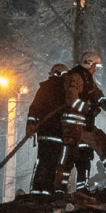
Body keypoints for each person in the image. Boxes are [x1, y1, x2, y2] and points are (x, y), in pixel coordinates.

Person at [54, 51, 106, 192]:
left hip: (83, 125)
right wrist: (87, 109)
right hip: (72, 124)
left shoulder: (87, 78)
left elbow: (96, 93)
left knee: (103, 142)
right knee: (69, 157)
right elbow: (71, 100)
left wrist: (103, 102)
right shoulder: (75, 76)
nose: (95, 69)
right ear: (88, 63)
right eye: (95, 66)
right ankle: (59, 189)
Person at [26, 63, 69, 196]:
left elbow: (34, 109)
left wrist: (31, 125)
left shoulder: (44, 89)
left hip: (44, 133)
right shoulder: (64, 90)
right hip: (56, 133)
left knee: (42, 161)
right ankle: (47, 191)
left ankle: (37, 190)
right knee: (53, 163)